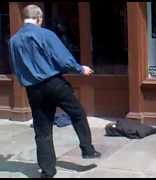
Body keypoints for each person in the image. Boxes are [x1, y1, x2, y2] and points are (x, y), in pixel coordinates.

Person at [8, 4, 101, 178]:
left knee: (42, 131)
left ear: (23, 18)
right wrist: (80, 69)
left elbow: (15, 67)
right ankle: (87, 150)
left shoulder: (13, 41)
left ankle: (47, 171)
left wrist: (25, 81)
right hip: (53, 83)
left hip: (33, 89)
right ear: (39, 18)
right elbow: (63, 58)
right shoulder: (45, 34)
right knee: (78, 113)